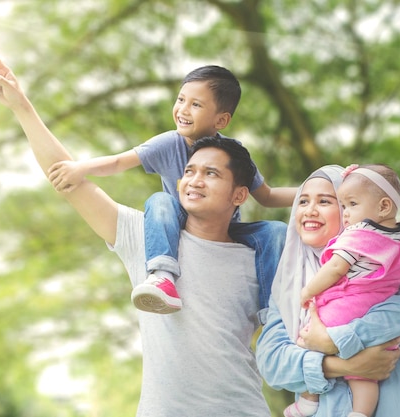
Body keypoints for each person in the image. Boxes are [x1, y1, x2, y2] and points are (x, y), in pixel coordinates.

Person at [0, 46, 272, 416]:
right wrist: (22, 107)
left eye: (212, 173)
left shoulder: (259, 254)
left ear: (239, 194)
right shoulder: (150, 238)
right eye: (189, 171)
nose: (195, 180)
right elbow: (68, 180)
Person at [48, 64, 296, 318]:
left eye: (196, 105)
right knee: (160, 201)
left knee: (276, 231)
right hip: (181, 221)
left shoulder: (232, 154)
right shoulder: (168, 143)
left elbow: (267, 196)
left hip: (225, 228)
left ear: (221, 120)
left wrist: (321, 190)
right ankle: (163, 276)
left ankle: (272, 310)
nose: (183, 110)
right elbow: (119, 162)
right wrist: (81, 168)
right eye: (180, 100)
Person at [255, 165, 400, 417]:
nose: (310, 210)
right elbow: (272, 362)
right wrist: (344, 364)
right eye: (303, 201)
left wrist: (337, 340)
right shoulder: (289, 286)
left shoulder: (384, 264)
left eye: (325, 201)